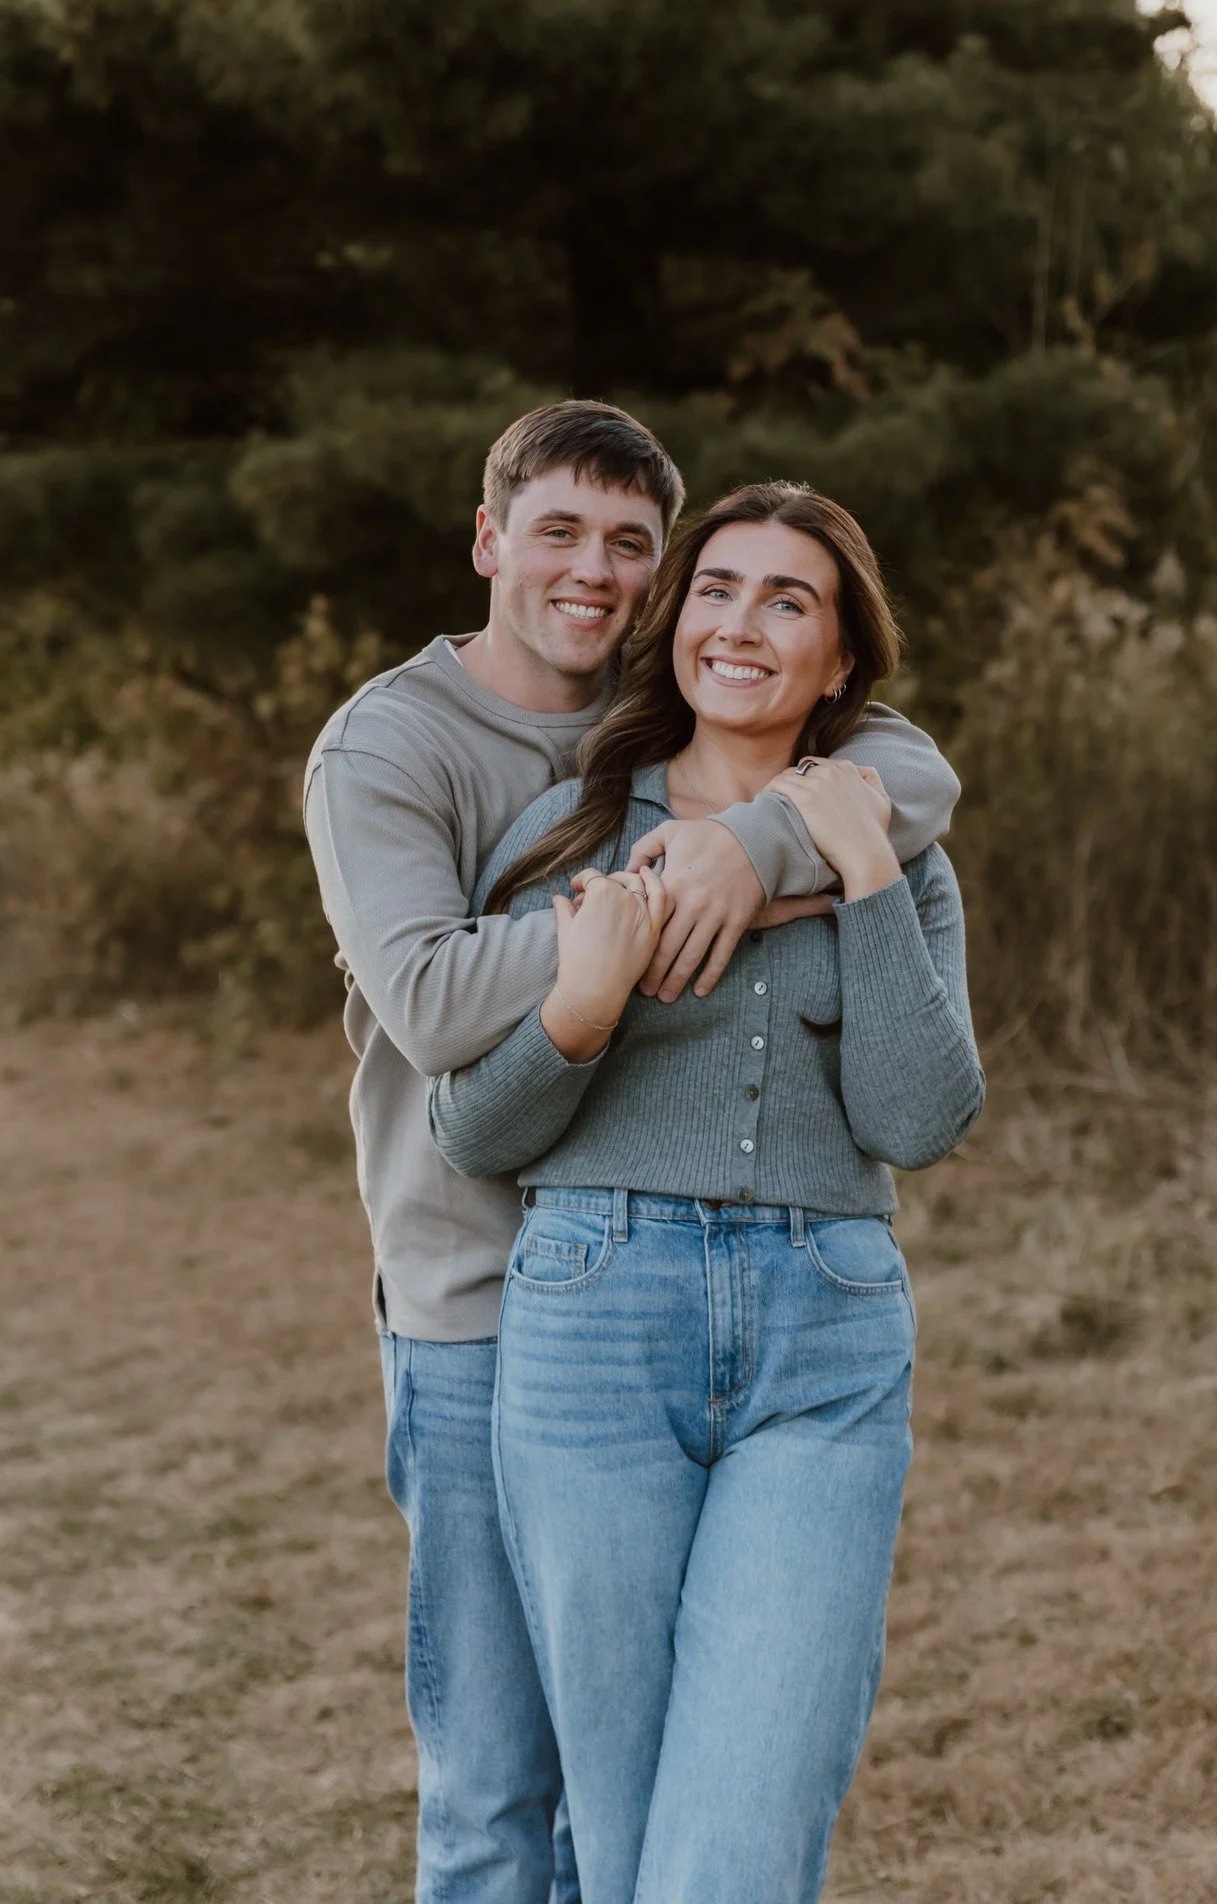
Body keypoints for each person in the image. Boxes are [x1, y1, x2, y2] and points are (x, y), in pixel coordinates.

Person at [303, 406, 963, 1904]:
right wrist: (633, 922)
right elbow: (423, 1002)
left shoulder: (688, 732)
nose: (592, 574)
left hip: (793, 1299)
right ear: (488, 542)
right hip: (488, 1296)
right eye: (555, 532)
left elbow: (913, 781)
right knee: (502, 1788)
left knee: (700, 1812)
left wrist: (774, 851)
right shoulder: (403, 749)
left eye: (628, 547)